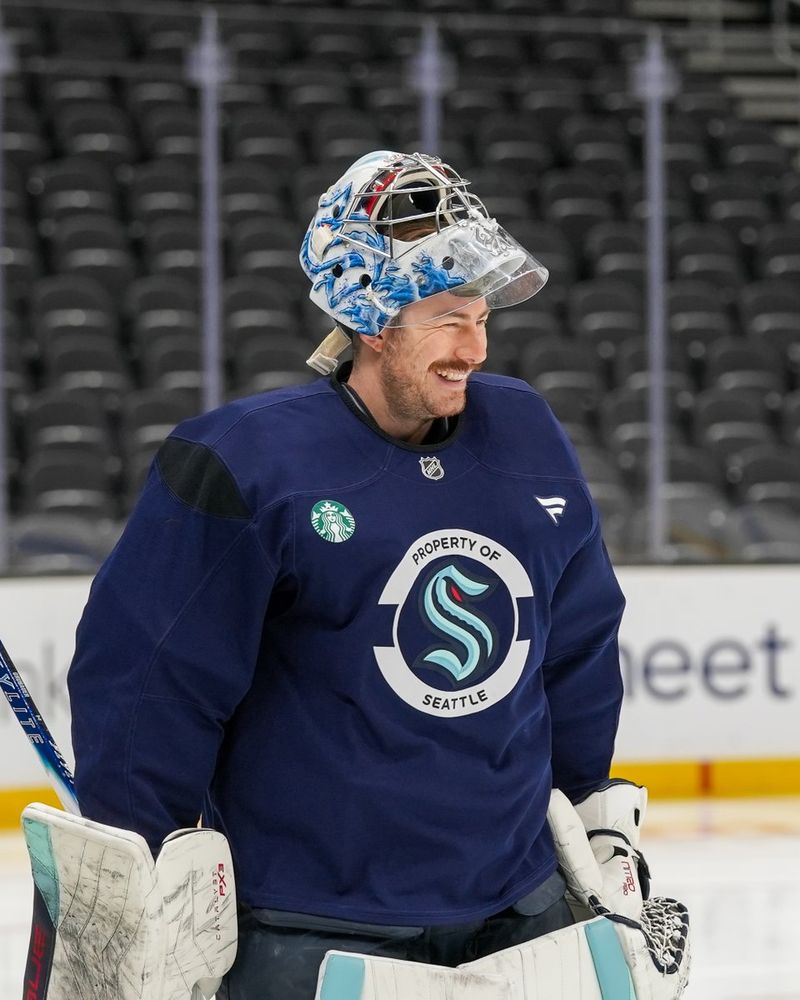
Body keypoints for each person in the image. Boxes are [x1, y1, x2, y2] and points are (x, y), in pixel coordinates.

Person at [67, 150, 627, 1000]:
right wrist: (142, 868)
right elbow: (149, 684)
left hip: (521, 911)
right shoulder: (243, 461)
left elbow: (578, 641)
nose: (474, 348)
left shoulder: (525, 431)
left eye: (481, 316)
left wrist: (593, 811)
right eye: (447, 317)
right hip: (311, 930)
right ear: (373, 319)